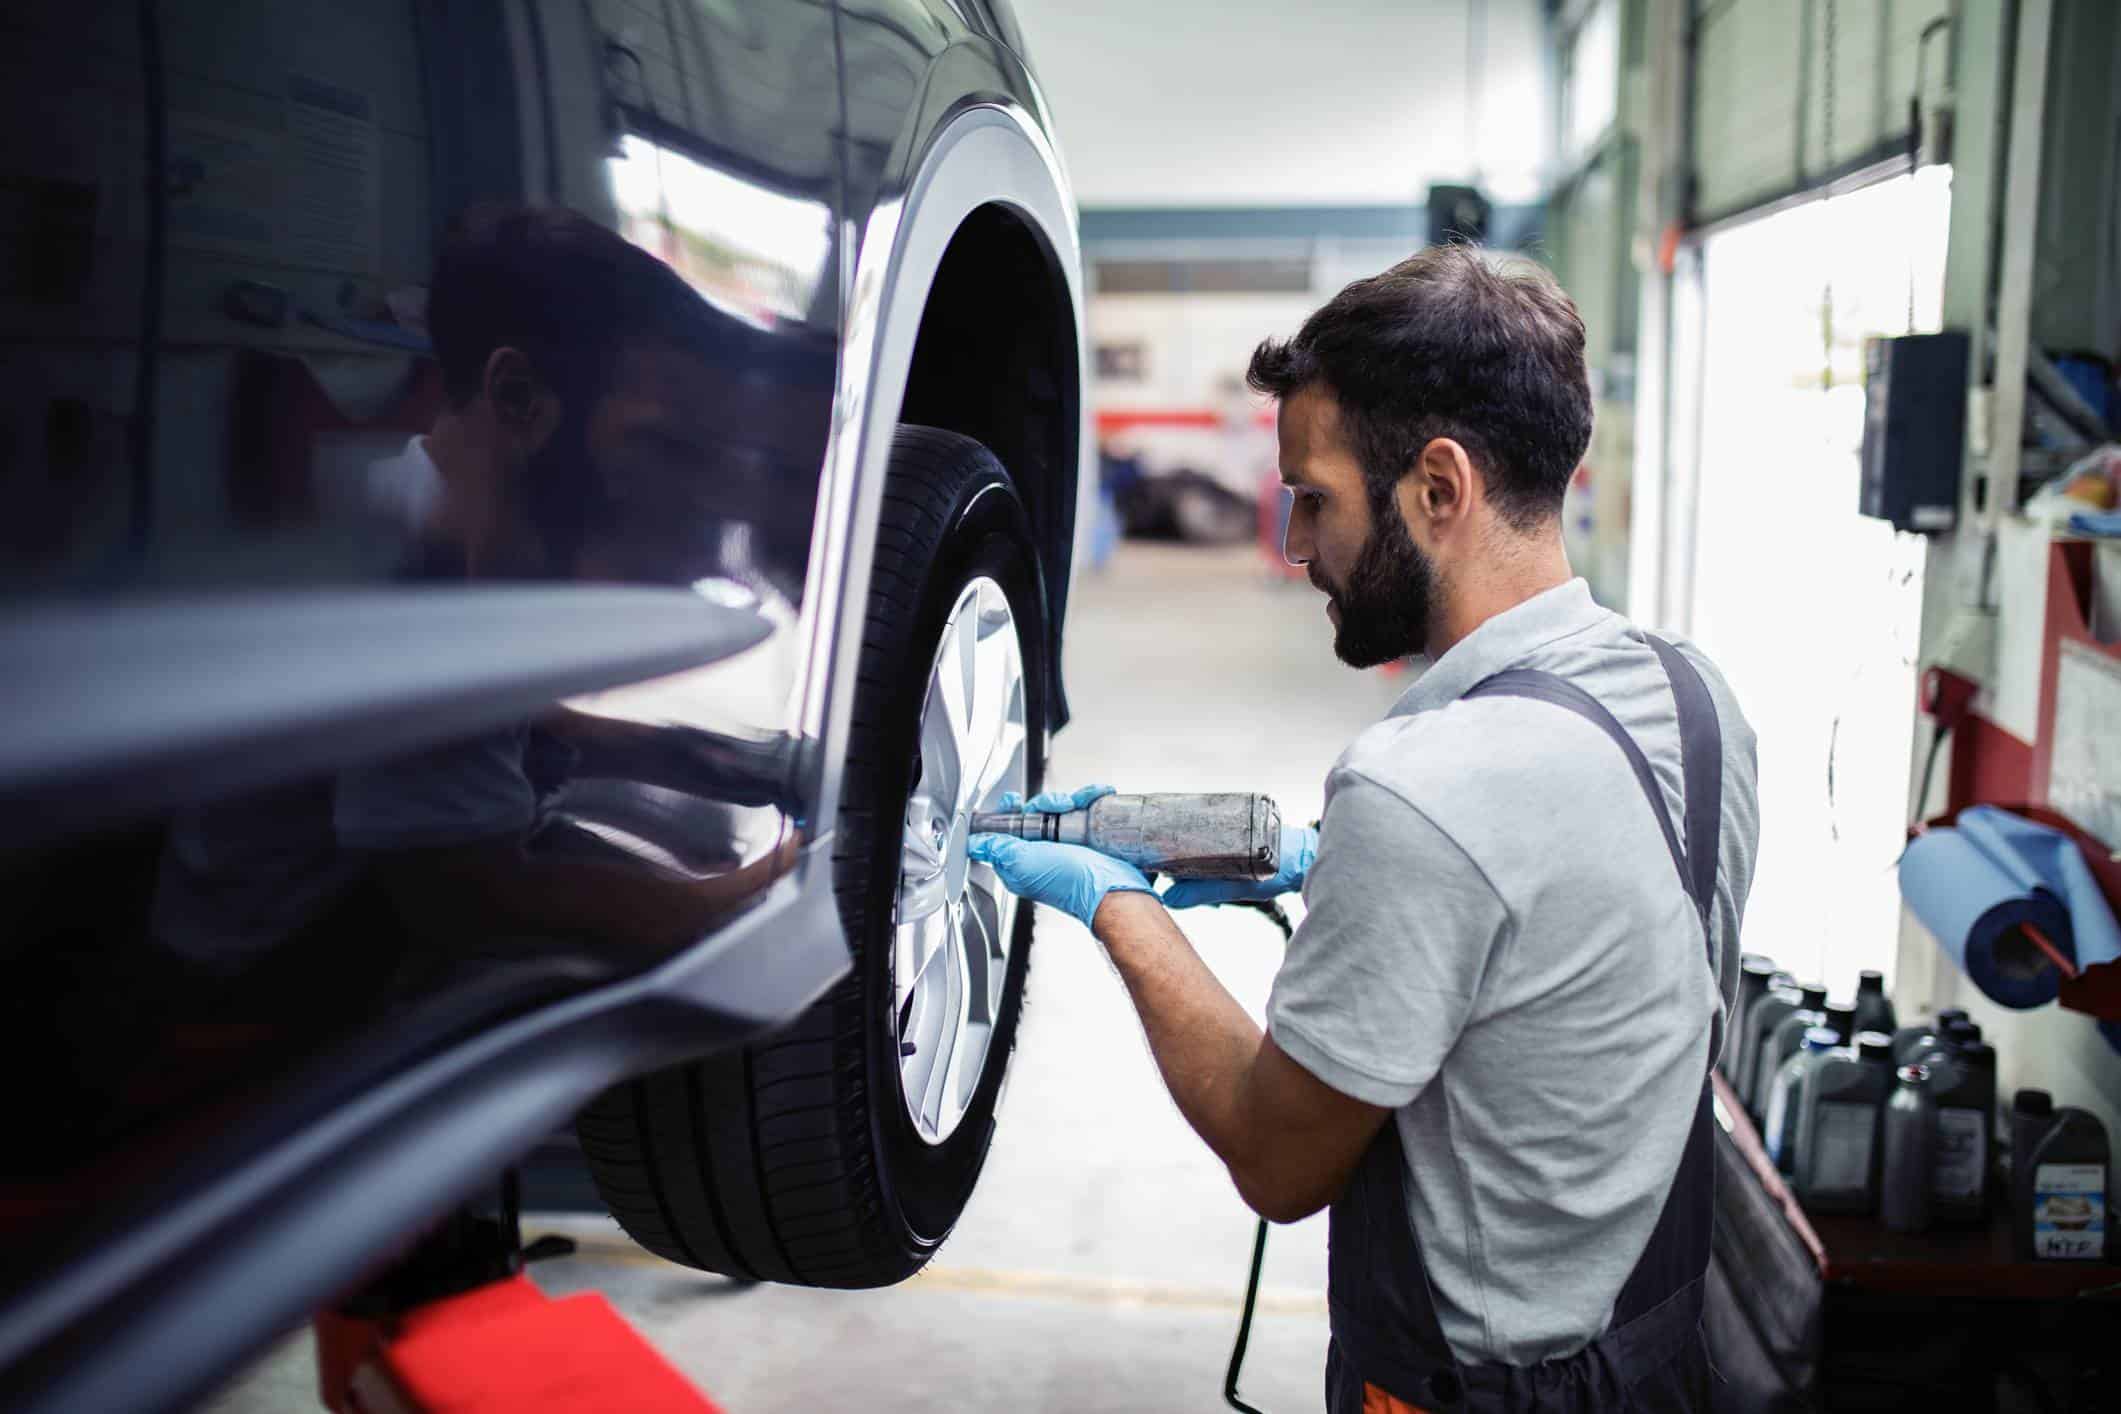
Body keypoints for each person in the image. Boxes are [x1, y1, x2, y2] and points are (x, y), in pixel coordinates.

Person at [971, 246, 1760, 1413]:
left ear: (1439, 488)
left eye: (1316, 497)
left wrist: (1118, 907)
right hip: (1657, 1357)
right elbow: (1561, 917)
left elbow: (1276, 1157)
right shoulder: (1695, 696)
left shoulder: (1420, 791)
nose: (1294, 546)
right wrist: (1323, 861)